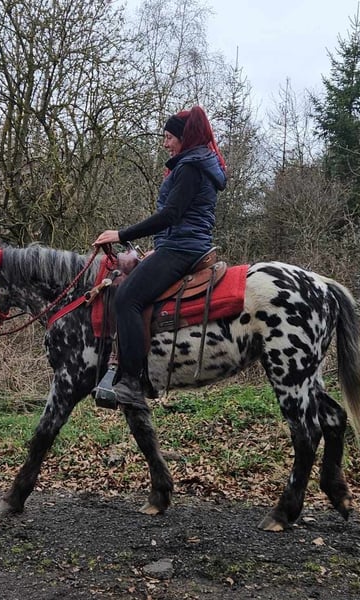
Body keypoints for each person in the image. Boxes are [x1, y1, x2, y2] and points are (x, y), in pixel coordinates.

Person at [92, 105, 227, 409]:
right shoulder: (199, 163)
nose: (165, 143)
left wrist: (121, 234)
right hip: (183, 244)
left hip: (182, 249)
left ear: (184, 137)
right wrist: (160, 245)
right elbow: (183, 217)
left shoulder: (190, 167)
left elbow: (170, 214)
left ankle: (130, 381)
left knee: (126, 298)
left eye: (169, 137)